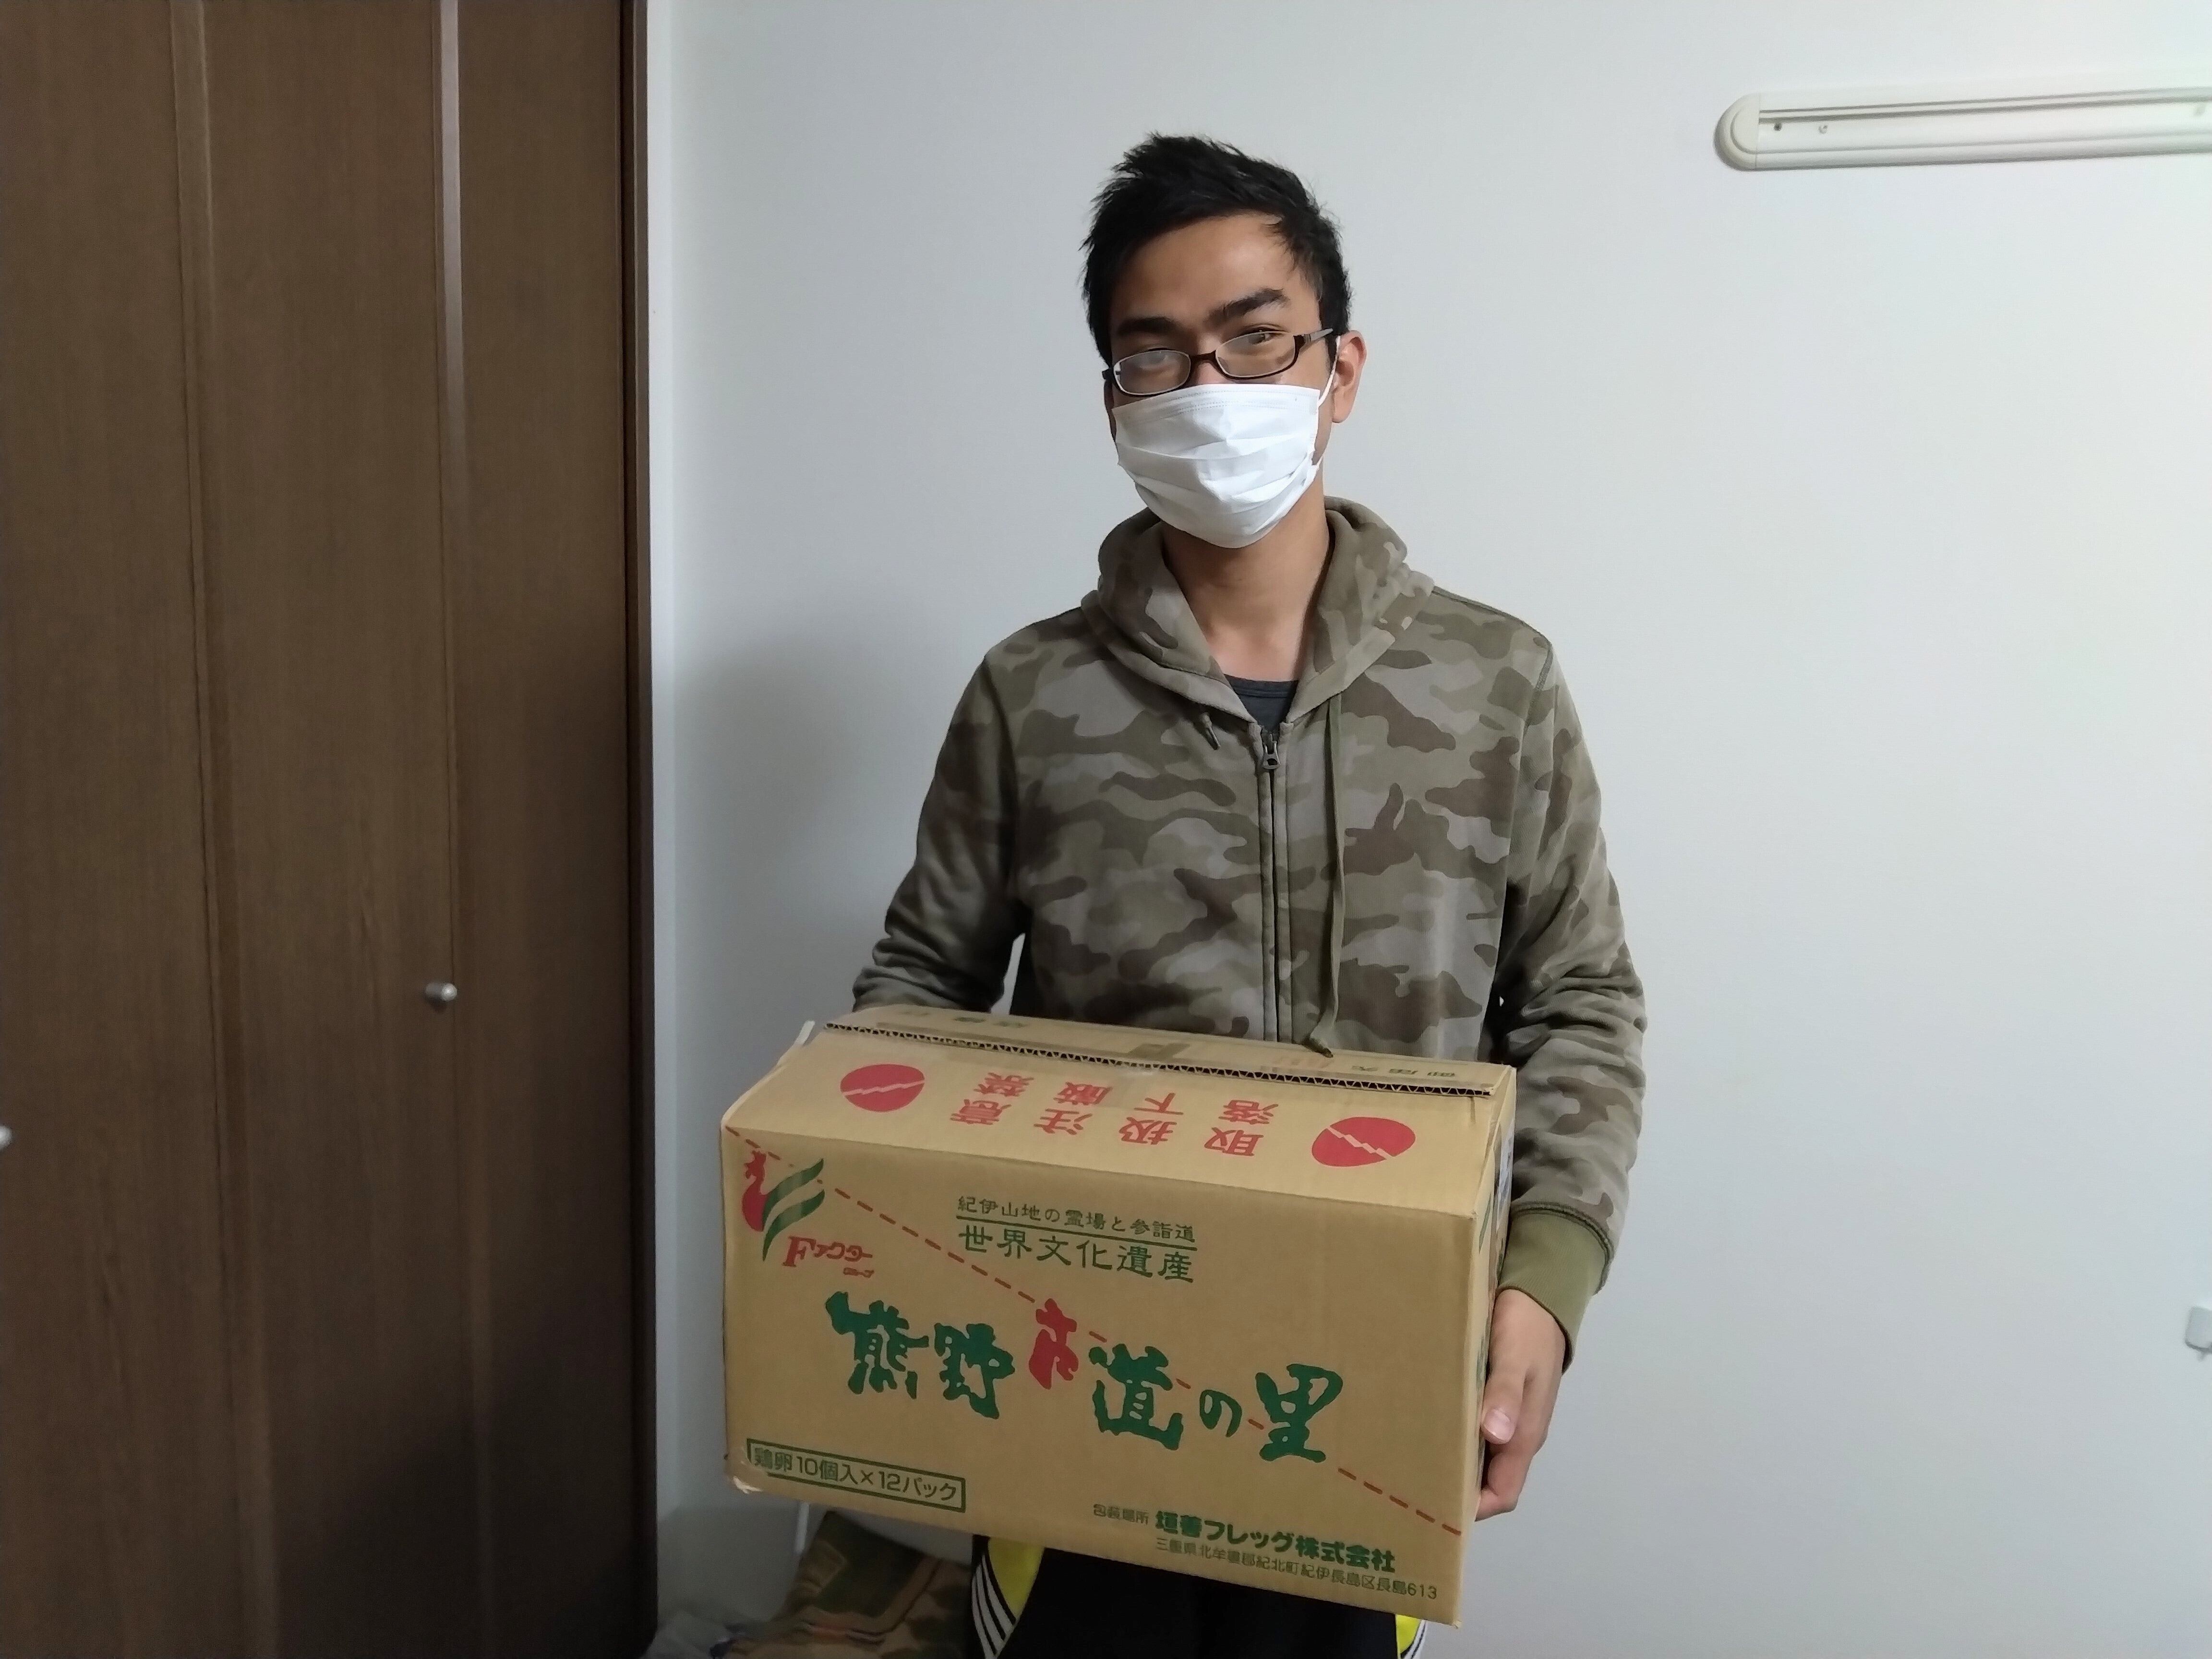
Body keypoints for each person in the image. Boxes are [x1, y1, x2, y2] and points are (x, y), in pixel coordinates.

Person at [852, 133, 1645, 1659]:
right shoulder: (1032, 695)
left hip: (1375, 1373)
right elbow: (916, 995)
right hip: (1079, 1374)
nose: (1206, 385)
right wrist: (929, 1252)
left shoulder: (1493, 684)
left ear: (1340, 369)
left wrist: (1545, 1285)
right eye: (1154, 353)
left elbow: (1581, 999)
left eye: (1254, 339)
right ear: (1113, 398)